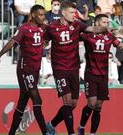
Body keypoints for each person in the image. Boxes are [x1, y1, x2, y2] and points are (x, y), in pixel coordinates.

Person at [44, 2, 107, 135]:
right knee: (67, 102)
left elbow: (92, 30)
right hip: (59, 68)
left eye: (75, 12)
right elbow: (43, 43)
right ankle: (71, 132)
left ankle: (51, 124)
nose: (75, 15)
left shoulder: (77, 24)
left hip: (74, 67)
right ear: (63, 12)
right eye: (72, 12)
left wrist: (105, 28)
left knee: (73, 104)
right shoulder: (51, 27)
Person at [77, 14, 123, 135]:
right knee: (91, 103)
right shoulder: (87, 35)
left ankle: (92, 133)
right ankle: (81, 127)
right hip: (91, 74)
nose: (107, 25)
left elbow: (122, 46)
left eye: (107, 22)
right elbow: (74, 36)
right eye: (104, 22)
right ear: (96, 23)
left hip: (103, 75)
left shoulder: (110, 36)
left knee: (98, 106)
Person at [0, 5, 49, 135]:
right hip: (25, 69)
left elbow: (51, 35)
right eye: (40, 15)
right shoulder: (24, 28)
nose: (43, 17)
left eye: (44, 15)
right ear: (33, 15)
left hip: (35, 70)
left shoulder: (43, 28)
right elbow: (12, 42)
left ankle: (11, 132)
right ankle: (46, 132)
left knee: (23, 101)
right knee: (37, 99)